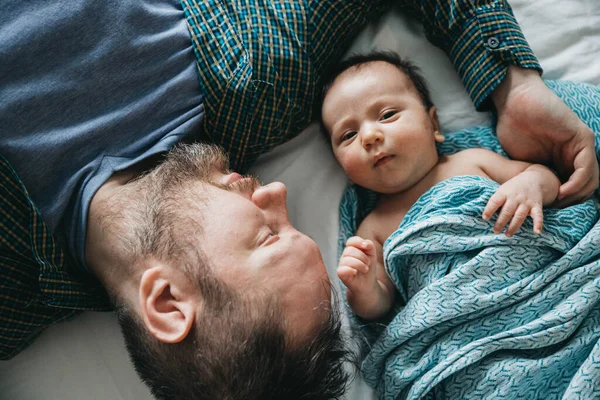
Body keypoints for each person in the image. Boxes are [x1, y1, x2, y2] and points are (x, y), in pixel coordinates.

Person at [0, 0, 597, 398]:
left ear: (167, 300)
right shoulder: (263, 75)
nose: (279, 192)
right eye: (271, 235)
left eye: (269, 233)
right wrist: (513, 83)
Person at [320, 51, 571, 320]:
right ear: (344, 169)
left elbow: (548, 180)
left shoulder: (472, 161)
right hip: (456, 322)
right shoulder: (373, 228)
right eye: (349, 135)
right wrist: (364, 288)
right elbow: (380, 307)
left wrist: (531, 183)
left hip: (538, 287)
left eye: (387, 114)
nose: (369, 136)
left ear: (433, 124)